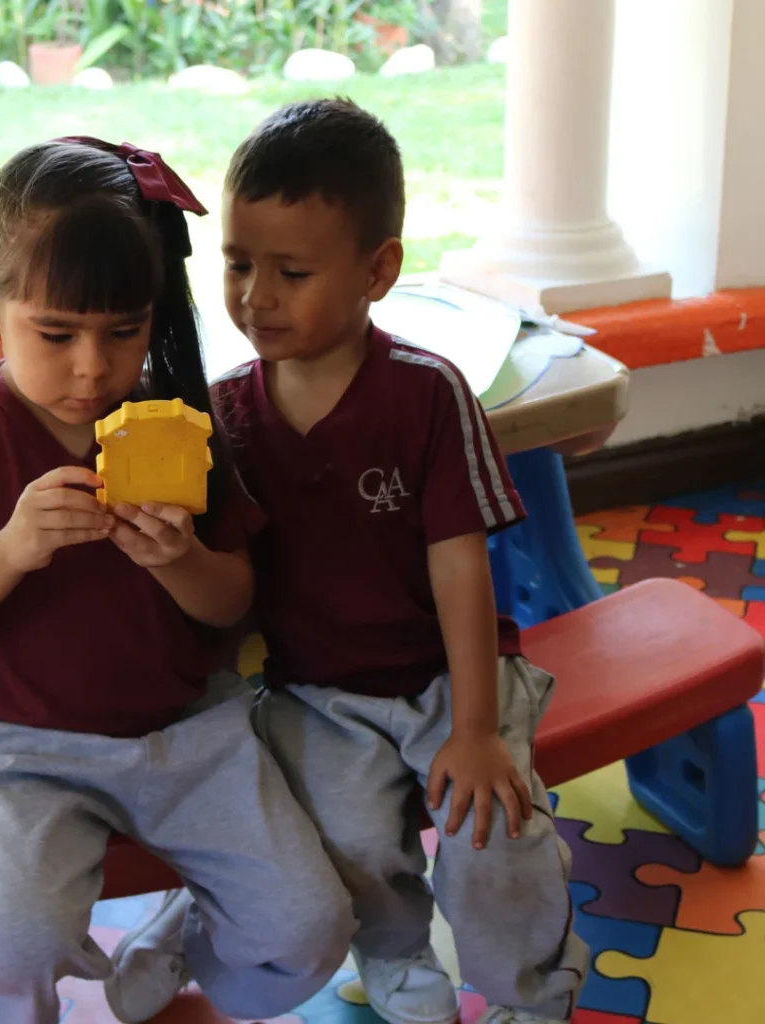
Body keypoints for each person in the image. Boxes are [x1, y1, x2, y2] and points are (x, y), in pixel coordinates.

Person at [0, 136, 355, 1024]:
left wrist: (179, 561)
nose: (91, 368)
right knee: (16, 936)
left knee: (309, 924)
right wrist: (8, 549)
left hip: (187, 735)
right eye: (56, 334)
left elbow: (233, 602)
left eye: (122, 333)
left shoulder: (176, 424)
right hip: (10, 746)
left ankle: (176, 942)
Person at [116, 100, 590, 1024]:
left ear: (380, 271)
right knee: (347, 838)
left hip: (456, 679)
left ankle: (535, 993)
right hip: (316, 697)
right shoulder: (224, 414)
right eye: (238, 264)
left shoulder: (424, 394)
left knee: (496, 837)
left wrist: (480, 728)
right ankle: (395, 963)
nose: (256, 297)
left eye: (291, 272)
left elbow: (461, 570)